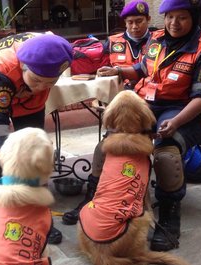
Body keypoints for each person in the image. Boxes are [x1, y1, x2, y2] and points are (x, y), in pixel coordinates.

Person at [96, 0, 201, 251]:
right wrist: (118, 71)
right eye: (169, 17)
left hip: (186, 111)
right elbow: (143, 68)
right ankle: (99, 198)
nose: (174, 23)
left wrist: (175, 123)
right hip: (150, 105)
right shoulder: (156, 40)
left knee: (166, 153)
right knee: (111, 141)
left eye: (182, 17)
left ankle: (168, 216)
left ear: (193, 18)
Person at [0, 32, 73, 244]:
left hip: (28, 102)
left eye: (49, 83)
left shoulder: (53, 53)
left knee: (33, 158)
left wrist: (35, 84)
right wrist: (5, 156)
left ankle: (39, 219)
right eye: (37, 80)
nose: (42, 87)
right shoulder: (1, 71)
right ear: (23, 66)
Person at [62, 0, 152, 226]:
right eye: (130, 22)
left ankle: (139, 201)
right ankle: (91, 197)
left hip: (150, 107)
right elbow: (84, 58)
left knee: (120, 145)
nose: (134, 26)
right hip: (119, 109)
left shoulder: (159, 41)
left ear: (148, 20)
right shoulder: (112, 42)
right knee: (102, 148)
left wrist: (119, 71)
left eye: (139, 21)